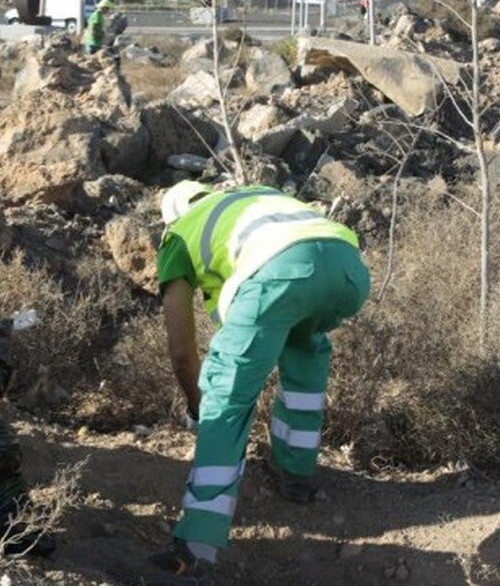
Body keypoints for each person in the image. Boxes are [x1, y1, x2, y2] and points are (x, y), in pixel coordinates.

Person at [148, 181, 370, 582]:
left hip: (280, 271)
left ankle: (197, 544)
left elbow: (181, 350)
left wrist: (201, 407)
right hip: (348, 267)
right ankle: (295, 474)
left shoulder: (178, 234)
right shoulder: (253, 194)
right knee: (304, 349)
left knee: (226, 395)